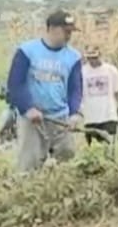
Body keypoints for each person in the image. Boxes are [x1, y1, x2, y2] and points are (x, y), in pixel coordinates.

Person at [6, 10, 83, 173]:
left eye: (71, 32)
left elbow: (75, 88)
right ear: (51, 29)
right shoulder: (27, 51)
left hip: (60, 119)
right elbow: (15, 84)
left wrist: (74, 112)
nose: (69, 36)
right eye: (66, 31)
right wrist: (28, 108)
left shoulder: (74, 57)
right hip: (33, 119)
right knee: (29, 164)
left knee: (67, 162)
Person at [81, 46, 118, 146]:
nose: (92, 61)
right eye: (89, 58)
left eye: (94, 57)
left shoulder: (111, 70)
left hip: (108, 115)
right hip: (90, 117)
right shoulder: (81, 72)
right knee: (94, 149)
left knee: (109, 146)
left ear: (100, 55)